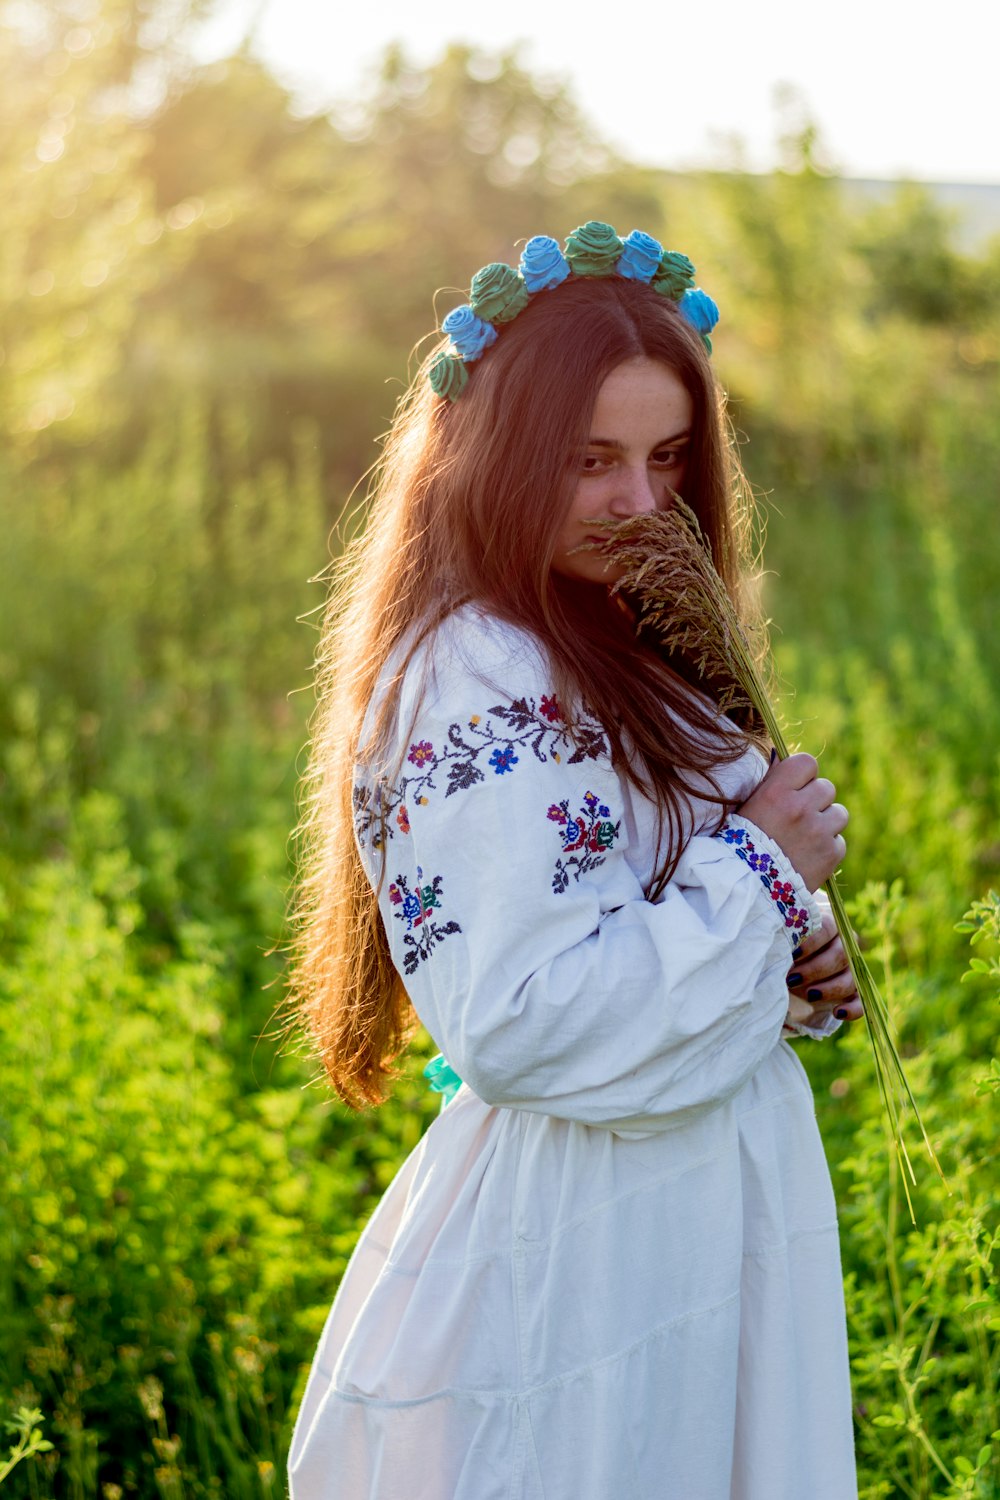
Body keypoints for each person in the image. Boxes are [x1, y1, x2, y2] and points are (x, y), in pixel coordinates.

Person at [287, 224, 860, 1499]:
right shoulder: (473, 672)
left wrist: (784, 968)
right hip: (597, 1236)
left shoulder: (613, 630)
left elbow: (635, 924)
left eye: (665, 460)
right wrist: (763, 867)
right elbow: (524, 1021)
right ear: (492, 456)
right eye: (588, 460)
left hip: (702, 1200)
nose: (639, 503)